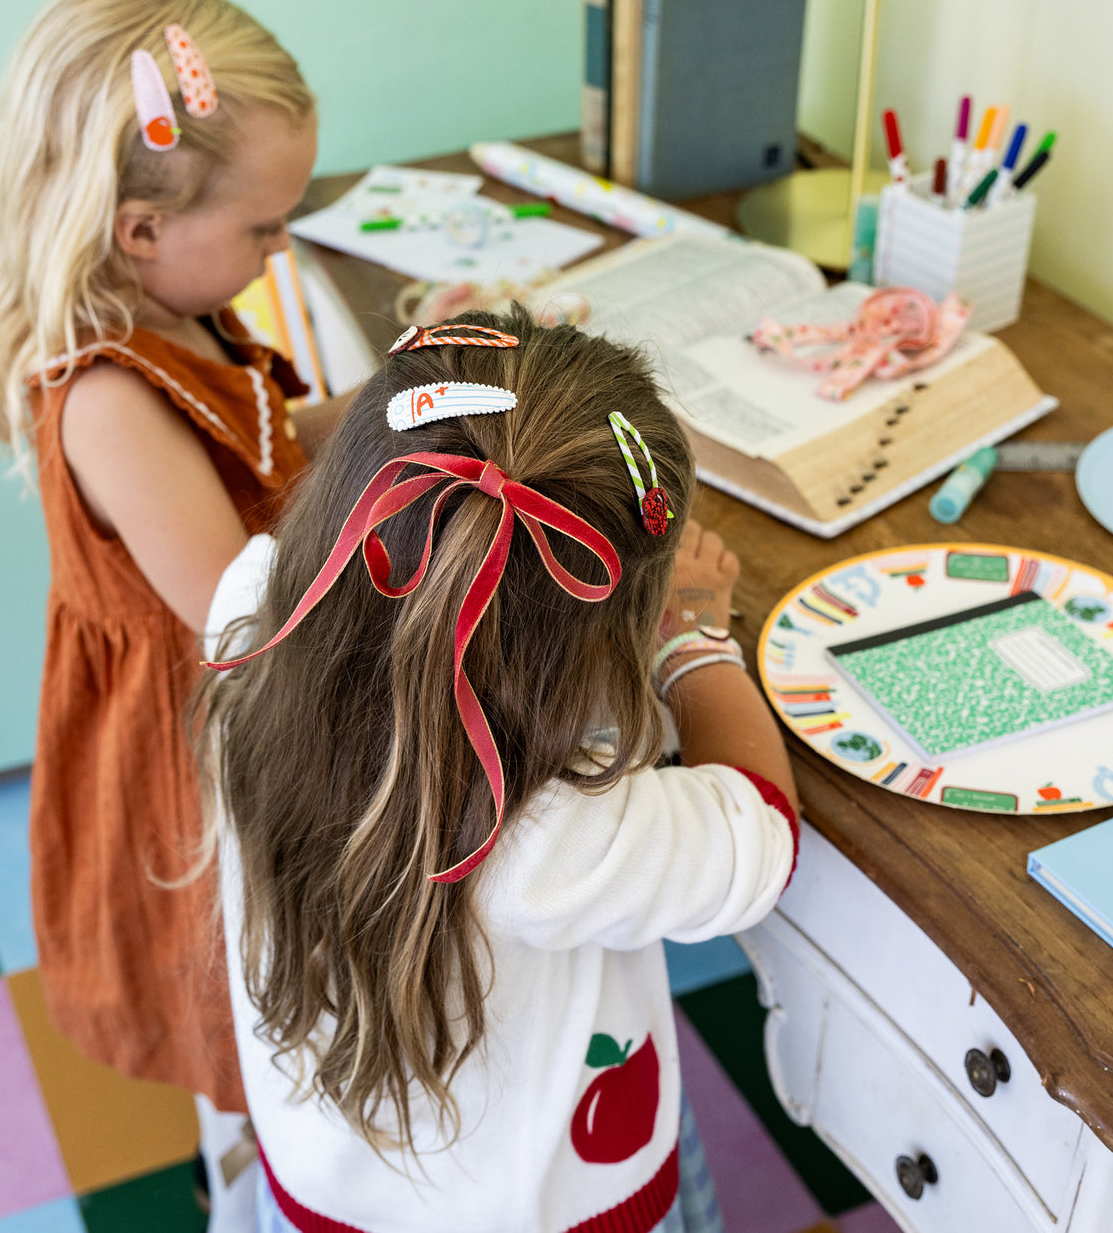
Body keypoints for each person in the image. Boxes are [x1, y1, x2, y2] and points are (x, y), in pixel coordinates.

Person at [201, 308, 800, 1233]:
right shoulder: (550, 836)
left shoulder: (248, 620)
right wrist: (695, 639)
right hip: (551, 1209)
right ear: (601, 642)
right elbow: (758, 831)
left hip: (322, 1184)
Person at [0, 0, 322, 1223]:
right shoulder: (111, 398)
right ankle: (255, 1179)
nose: (280, 252)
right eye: (268, 226)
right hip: (197, 755)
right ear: (139, 229)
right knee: (239, 994)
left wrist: (394, 399)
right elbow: (248, 614)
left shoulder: (183, 306)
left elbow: (266, 445)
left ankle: (258, 1147)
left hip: (230, 701)